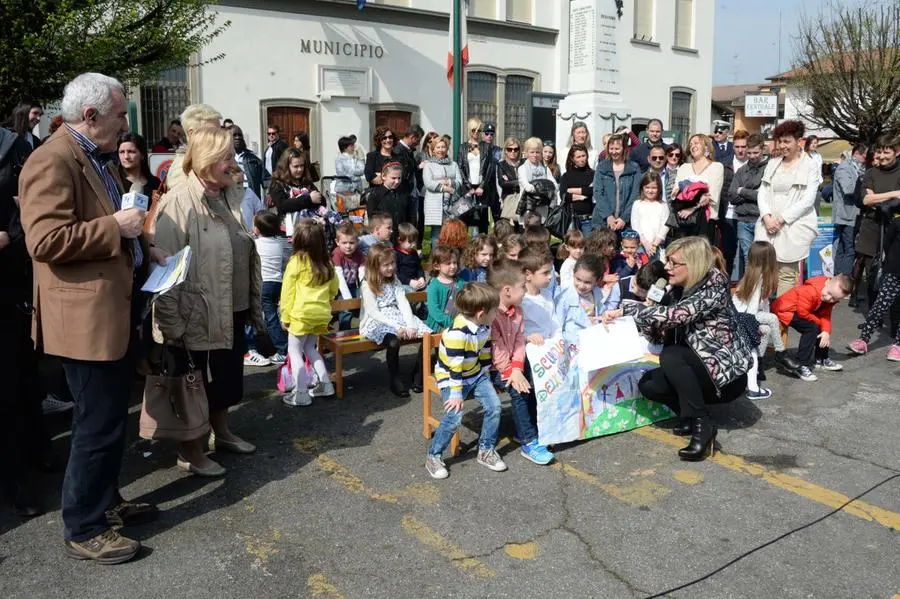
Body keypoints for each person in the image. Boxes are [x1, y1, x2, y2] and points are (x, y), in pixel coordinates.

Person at [20, 72, 163, 563]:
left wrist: (141, 243)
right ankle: (83, 527)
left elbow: (109, 223)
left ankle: (105, 505)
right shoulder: (51, 159)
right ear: (91, 116)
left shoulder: (90, 156)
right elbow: (44, 242)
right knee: (95, 426)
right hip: (83, 323)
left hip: (109, 312)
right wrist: (114, 227)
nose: (126, 126)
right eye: (122, 115)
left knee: (109, 422)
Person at [154, 125, 264, 476]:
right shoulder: (179, 200)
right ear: (205, 160)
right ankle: (191, 450)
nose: (233, 163)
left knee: (227, 377)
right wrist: (170, 324)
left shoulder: (229, 195)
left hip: (230, 306)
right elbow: (166, 269)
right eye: (226, 157)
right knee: (194, 383)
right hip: (195, 311)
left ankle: (222, 432)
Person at [601, 236, 752, 462]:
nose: (667, 268)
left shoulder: (714, 284)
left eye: (674, 263)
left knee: (672, 356)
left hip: (725, 377)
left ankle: (703, 425)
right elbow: (660, 331)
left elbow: (678, 315)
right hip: (693, 366)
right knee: (649, 385)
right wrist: (650, 311)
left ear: (693, 264)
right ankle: (689, 415)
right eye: (667, 261)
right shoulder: (673, 288)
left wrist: (629, 311)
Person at [1, 123, 48, 517]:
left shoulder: (12, 147)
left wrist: (9, 239)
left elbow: (29, 218)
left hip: (8, 292)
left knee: (14, 390)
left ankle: (20, 479)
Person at [426, 282, 505, 479]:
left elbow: (485, 351)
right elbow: (455, 366)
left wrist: (488, 379)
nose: (498, 313)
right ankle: (433, 455)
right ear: (481, 313)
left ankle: (486, 450)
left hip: (475, 374)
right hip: (452, 378)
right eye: (495, 310)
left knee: (494, 406)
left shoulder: (484, 326)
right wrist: (455, 395)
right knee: (454, 416)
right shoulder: (456, 334)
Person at [487, 258, 554, 465]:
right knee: (519, 389)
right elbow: (495, 350)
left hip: (511, 364)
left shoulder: (518, 311)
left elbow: (518, 343)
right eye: (522, 287)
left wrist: (517, 367)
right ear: (507, 290)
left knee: (533, 378)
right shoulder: (492, 314)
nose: (525, 291)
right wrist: (511, 371)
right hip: (492, 368)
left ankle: (534, 428)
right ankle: (528, 440)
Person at [754, 120, 822, 296]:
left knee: (786, 274)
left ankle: (781, 321)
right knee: (760, 272)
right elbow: (763, 191)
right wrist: (767, 217)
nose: (782, 146)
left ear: (799, 142)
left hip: (793, 225)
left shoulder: (810, 165)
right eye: (780, 141)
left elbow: (808, 200)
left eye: (787, 142)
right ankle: (760, 316)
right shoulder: (772, 163)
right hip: (767, 224)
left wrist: (782, 219)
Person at [280, 219, 339, 406]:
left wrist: (285, 316)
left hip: (300, 314)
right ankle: (326, 384)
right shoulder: (326, 263)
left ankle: (302, 393)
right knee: (310, 348)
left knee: (294, 351)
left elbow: (287, 292)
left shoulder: (296, 262)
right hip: (321, 314)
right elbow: (333, 290)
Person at [359, 244, 431, 397]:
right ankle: (395, 379)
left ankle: (419, 375)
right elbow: (372, 312)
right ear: (375, 265)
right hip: (377, 321)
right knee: (393, 342)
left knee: (426, 335)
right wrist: (396, 327)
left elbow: (402, 302)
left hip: (395, 315)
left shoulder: (394, 280)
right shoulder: (367, 283)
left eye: (392, 263)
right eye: (386, 265)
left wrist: (411, 324)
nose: (391, 268)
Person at [732, 241, 798, 400]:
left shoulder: (755, 275)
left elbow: (764, 304)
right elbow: (752, 309)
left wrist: (762, 325)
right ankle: (781, 353)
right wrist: (757, 325)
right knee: (772, 319)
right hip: (742, 317)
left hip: (744, 315)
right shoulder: (757, 278)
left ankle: (759, 366)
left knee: (767, 330)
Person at [770, 274, 851, 381]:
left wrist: (826, 331)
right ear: (827, 283)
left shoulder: (828, 295)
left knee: (822, 329)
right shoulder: (810, 291)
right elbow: (802, 312)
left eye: (834, 299)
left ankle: (821, 358)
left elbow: (826, 315)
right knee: (811, 328)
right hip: (785, 310)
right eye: (829, 294)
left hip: (799, 311)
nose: (829, 299)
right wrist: (819, 323)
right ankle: (801, 364)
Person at [848, 210, 900, 361]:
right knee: (879, 306)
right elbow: (886, 245)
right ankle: (863, 340)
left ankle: (897, 345)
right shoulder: (897, 223)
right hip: (893, 272)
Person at [727, 133, 769, 279]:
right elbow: (731, 196)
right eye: (749, 153)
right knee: (747, 257)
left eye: (755, 152)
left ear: (762, 150)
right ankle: (750, 289)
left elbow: (764, 196)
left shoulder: (769, 168)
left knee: (761, 258)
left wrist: (743, 190)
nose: (752, 156)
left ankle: (761, 288)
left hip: (760, 219)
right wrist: (752, 192)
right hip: (743, 220)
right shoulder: (741, 170)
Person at [555, 255, 619, 345]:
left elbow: (601, 313)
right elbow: (557, 326)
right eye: (578, 279)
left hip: (593, 338)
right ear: (573, 274)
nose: (581, 286)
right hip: (572, 343)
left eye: (587, 282)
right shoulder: (564, 297)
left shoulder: (596, 293)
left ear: (597, 281)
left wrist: (605, 317)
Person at [673, 133, 724, 243]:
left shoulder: (717, 167)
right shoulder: (684, 167)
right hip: (683, 219)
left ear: (706, 147)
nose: (692, 146)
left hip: (706, 221)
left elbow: (711, 196)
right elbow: (676, 192)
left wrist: (691, 208)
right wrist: (699, 191)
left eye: (696, 143)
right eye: (690, 144)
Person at [253, 211, 289, 362]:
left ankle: (283, 349)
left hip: (264, 283)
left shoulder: (255, 243)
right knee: (276, 313)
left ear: (257, 229)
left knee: (270, 317)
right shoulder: (281, 243)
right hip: (278, 282)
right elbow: (286, 257)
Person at [164, 104, 222, 190]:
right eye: (212, 132)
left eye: (219, 131)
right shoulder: (181, 169)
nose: (219, 137)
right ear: (192, 134)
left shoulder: (219, 159)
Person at [591, 133, 641, 232]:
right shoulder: (602, 167)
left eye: (617, 148)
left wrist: (624, 218)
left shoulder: (634, 168)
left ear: (624, 149)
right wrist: (608, 216)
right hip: (603, 221)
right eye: (611, 148)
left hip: (626, 223)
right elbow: (598, 193)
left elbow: (635, 195)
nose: (614, 152)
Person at [831, 144, 867, 276]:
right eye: (864, 156)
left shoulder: (855, 168)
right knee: (850, 248)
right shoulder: (845, 168)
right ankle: (844, 279)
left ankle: (838, 277)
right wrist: (866, 188)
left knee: (843, 246)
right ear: (857, 153)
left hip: (852, 213)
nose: (866, 159)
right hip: (846, 214)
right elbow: (848, 189)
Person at [456, 117, 496, 233]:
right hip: (467, 187)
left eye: (479, 130)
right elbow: (460, 167)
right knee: (464, 218)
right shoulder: (463, 147)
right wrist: (468, 187)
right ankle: (464, 247)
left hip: (481, 187)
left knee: (482, 220)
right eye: (474, 130)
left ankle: (481, 247)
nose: (476, 133)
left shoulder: (486, 147)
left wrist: (482, 186)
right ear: (469, 130)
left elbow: (489, 168)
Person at [422, 135, 463, 246]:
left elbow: (459, 181)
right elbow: (429, 183)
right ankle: (437, 259)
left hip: (451, 204)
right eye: (438, 147)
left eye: (443, 147)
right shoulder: (429, 166)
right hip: (434, 204)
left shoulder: (453, 164)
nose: (441, 150)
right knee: (437, 235)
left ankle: (450, 258)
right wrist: (446, 188)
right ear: (433, 150)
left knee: (451, 232)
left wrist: (448, 181)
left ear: (447, 148)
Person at [117, 132, 162, 226]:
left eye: (131, 152)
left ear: (142, 154)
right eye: (122, 152)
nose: (126, 157)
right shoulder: (114, 181)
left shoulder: (155, 183)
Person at [269, 147, 322, 226]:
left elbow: (320, 200)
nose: (300, 169)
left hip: (308, 229)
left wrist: (318, 198)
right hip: (286, 231)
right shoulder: (277, 184)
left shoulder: (306, 182)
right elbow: (282, 206)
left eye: (302, 166)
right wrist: (308, 199)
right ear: (286, 166)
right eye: (296, 166)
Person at [519, 246, 561, 347]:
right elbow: (513, 332)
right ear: (528, 275)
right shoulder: (520, 301)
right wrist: (528, 338)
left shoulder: (547, 295)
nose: (550, 276)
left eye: (550, 271)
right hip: (531, 351)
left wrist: (558, 339)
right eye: (545, 273)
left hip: (551, 349)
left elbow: (554, 323)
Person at [367, 162, 416, 246]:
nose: (397, 181)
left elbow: (411, 215)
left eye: (399, 178)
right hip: (383, 238)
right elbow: (372, 217)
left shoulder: (405, 194)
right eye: (393, 178)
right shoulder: (375, 195)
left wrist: (410, 231)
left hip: (401, 235)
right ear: (384, 176)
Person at [516, 137, 558, 224]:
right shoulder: (522, 168)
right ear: (527, 153)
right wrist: (545, 189)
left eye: (537, 152)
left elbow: (555, 186)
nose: (535, 155)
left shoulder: (545, 169)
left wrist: (543, 188)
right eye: (532, 152)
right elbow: (528, 188)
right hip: (527, 208)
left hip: (542, 208)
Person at [630, 171, 670, 261]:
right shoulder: (637, 204)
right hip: (641, 245)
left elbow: (665, 225)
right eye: (647, 187)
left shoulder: (663, 205)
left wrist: (654, 244)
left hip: (657, 245)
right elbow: (635, 225)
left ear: (659, 188)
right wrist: (645, 243)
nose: (650, 190)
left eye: (654, 188)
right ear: (642, 188)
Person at [333, 222, 365, 330]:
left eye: (351, 242)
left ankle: (365, 328)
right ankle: (344, 330)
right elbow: (339, 278)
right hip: (337, 290)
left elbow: (362, 275)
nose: (348, 246)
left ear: (357, 242)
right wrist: (348, 300)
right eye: (344, 242)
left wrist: (363, 293)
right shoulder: (337, 254)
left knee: (367, 299)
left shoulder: (359, 254)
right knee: (346, 307)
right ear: (337, 242)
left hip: (351, 287)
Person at [425, 244, 464, 332]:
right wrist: (451, 324)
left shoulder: (461, 282)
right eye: (448, 263)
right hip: (439, 327)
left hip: (459, 326)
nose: (453, 266)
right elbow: (434, 311)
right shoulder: (434, 286)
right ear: (436, 266)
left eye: (455, 263)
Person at [559, 144, 595, 234]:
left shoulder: (593, 174)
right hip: (571, 219)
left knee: (589, 246)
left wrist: (572, 190)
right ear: (572, 159)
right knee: (572, 247)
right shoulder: (566, 176)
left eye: (583, 155)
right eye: (578, 157)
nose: (582, 159)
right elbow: (564, 196)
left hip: (589, 219)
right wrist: (583, 195)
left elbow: (594, 191)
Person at [230, 125, 264, 198]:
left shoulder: (253, 159)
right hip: (233, 198)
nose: (238, 137)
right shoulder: (224, 159)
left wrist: (269, 193)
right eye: (234, 135)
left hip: (251, 197)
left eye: (240, 135)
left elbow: (266, 179)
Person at [497, 137, 523, 220]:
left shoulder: (524, 163)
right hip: (509, 199)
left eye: (516, 149)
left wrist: (511, 182)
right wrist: (521, 182)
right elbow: (503, 183)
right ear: (505, 150)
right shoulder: (501, 165)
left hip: (522, 199)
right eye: (510, 149)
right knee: (508, 229)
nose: (513, 151)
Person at [395, 222, 425, 291]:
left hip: (415, 282)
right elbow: (396, 274)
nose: (413, 244)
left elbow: (419, 267)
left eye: (415, 241)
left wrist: (421, 277)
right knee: (409, 291)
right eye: (410, 242)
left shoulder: (414, 252)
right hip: (402, 284)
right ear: (400, 240)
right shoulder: (396, 254)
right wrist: (409, 281)